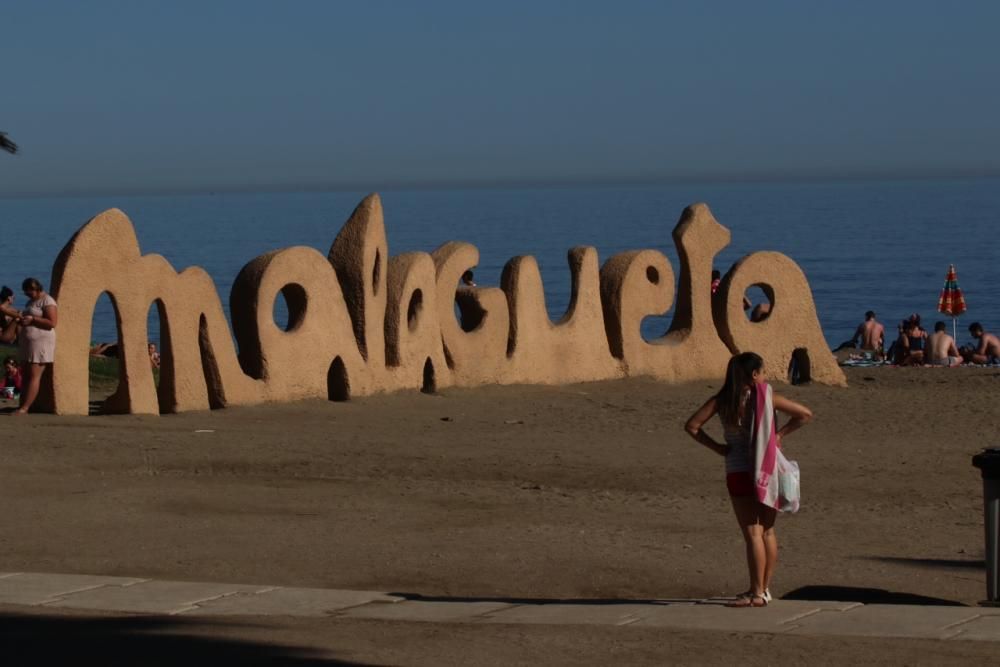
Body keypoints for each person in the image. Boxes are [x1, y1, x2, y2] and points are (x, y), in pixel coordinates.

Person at [684, 352, 812, 607]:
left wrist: (719, 447)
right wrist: (779, 435)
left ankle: (756, 593)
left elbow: (692, 426)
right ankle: (762, 590)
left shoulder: (723, 400)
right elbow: (805, 414)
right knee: (767, 531)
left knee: (752, 534)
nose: (764, 376)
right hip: (767, 468)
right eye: (762, 372)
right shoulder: (767, 398)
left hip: (739, 469)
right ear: (754, 375)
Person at [15, 278, 57, 415]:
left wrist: (33, 319)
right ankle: (23, 404)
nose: (28, 294)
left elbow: (52, 322)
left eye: (30, 291)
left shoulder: (47, 301)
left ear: (37, 289)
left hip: (41, 342)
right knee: (26, 374)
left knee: (34, 375)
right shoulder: (31, 302)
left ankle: (25, 408)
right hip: (29, 342)